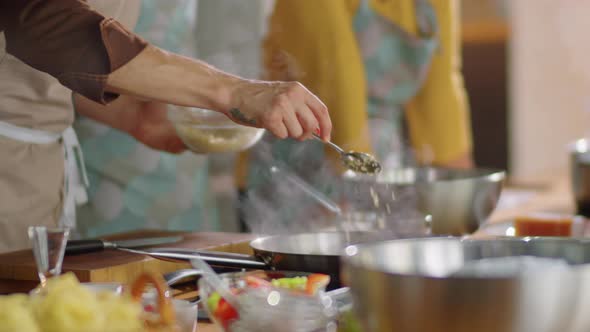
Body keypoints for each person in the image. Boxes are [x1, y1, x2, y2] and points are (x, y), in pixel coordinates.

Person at [0, 0, 331, 252]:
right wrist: (232, 90)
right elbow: (43, 20)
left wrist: (132, 117)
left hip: (42, 173)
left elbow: (42, 69)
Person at [237, 0, 473, 232]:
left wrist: (462, 203)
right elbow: (338, 84)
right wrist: (359, 189)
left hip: (378, 161)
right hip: (300, 160)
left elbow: (441, 98)